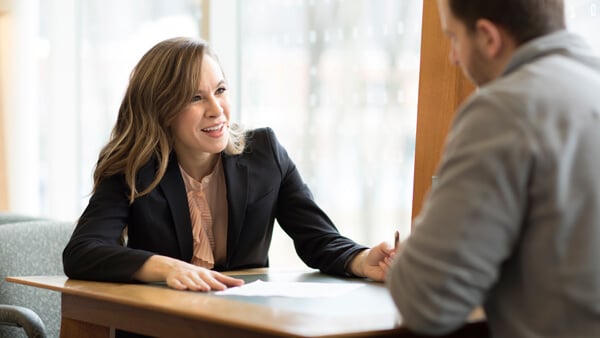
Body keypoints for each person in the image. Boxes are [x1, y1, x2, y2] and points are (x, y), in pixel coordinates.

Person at [63, 37, 393, 296]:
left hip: (241, 324)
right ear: (161, 110)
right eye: (195, 98)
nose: (216, 109)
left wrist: (365, 261)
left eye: (220, 90)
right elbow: (82, 251)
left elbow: (319, 239)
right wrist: (166, 268)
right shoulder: (133, 168)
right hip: (159, 325)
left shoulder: (265, 153)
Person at [387, 0, 600, 337]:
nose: (452, 57)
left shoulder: (506, 109)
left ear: (488, 37)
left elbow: (425, 298)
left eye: (453, 38)